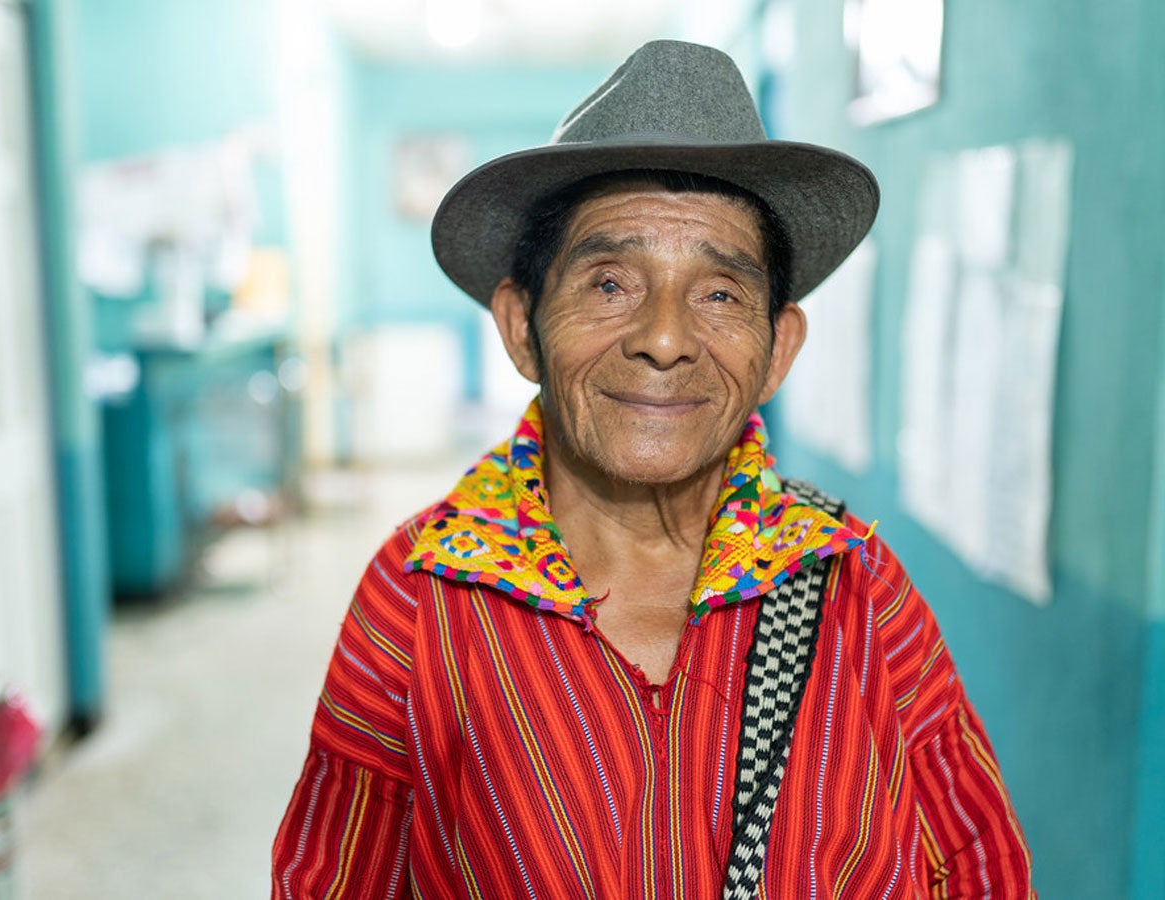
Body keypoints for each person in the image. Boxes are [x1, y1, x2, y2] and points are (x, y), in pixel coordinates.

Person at [272, 40, 1034, 899]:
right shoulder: (417, 601)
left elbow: (976, 861)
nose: (665, 339)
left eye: (719, 294)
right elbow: (332, 879)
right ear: (523, 327)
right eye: (608, 284)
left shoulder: (859, 588)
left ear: (777, 349)